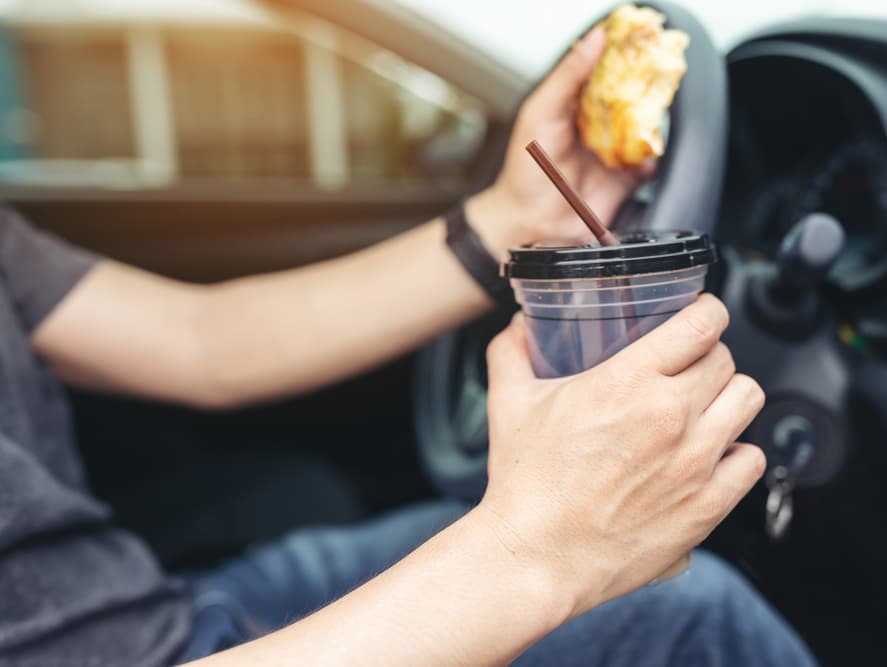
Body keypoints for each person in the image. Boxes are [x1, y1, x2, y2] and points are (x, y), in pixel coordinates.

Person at [0, 26, 816, 666]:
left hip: (152, 602)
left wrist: (509, 220)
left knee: (426, 519)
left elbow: (195, 341)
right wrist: (537, 553)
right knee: (686, 616)